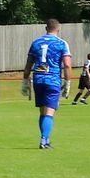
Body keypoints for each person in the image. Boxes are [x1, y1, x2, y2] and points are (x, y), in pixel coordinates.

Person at [23, 18, 70, 150]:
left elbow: (28, 65)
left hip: (38, 79)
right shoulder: (62, 43)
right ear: (58, 28)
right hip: (52, 80)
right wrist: (68, 82)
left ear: (46, 28)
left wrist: (25, 81)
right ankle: (44, 140)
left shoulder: (36, 43)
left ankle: (46, 138)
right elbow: (67, 64)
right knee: (49, 112)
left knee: (43, 112)